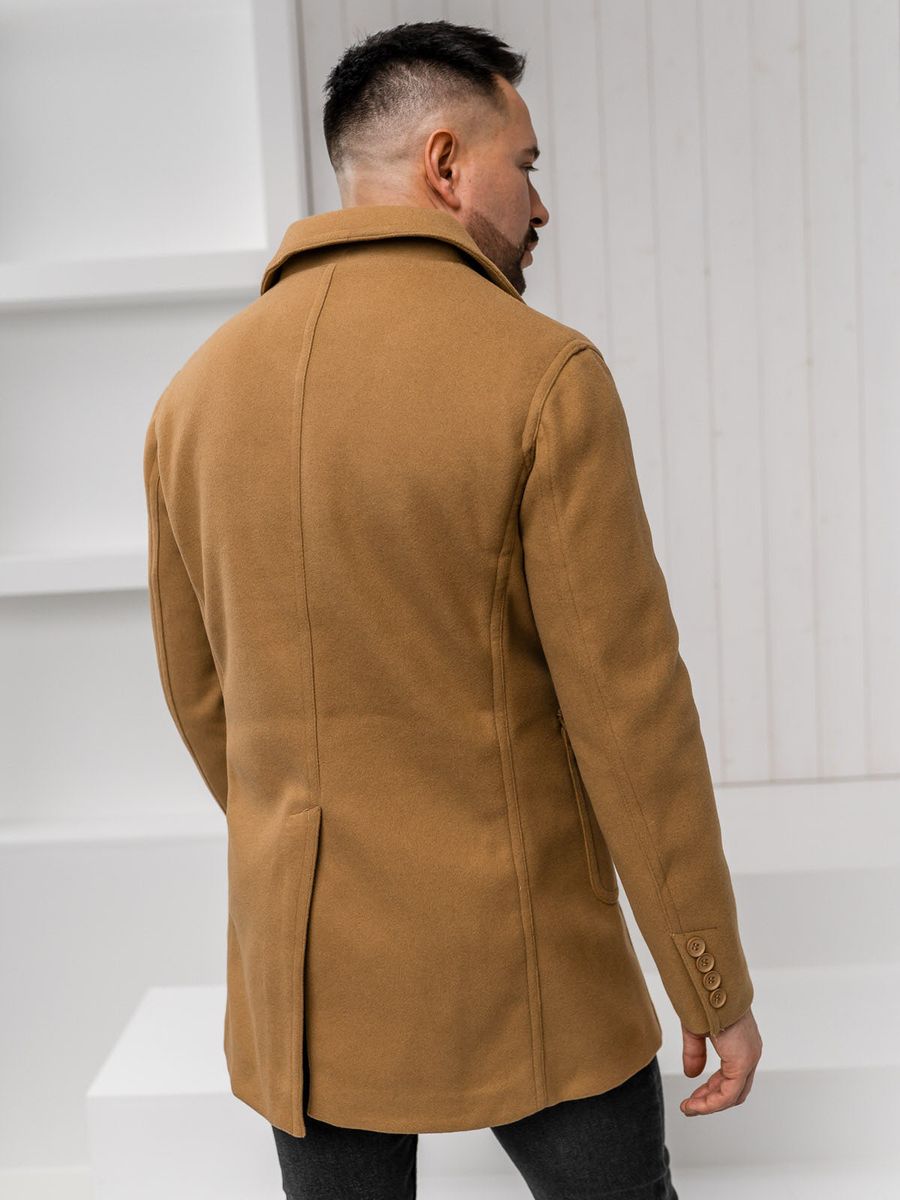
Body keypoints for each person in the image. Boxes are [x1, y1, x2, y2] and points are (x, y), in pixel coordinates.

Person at [143, 18, 762, 1200]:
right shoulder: (542, 374)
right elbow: (631, 718)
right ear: (444, 163)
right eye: (524, 164)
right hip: (527, 966)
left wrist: (306, 840)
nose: (540, 203)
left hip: (305, 981)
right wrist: (710, 983)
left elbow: (200, 696)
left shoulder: (192, 399)